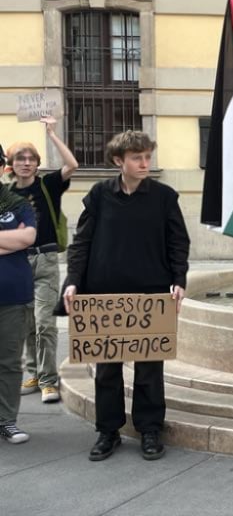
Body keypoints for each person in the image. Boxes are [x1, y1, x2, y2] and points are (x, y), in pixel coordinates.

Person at [61, 131, 190, 461]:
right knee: (106, 368)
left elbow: (178, 242)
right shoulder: (99, 195)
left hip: (150, 291)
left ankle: (149, 429)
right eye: (137, 157)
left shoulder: (164, 196)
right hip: (104, 292)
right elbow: (81, 243)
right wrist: (72, 282)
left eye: (147, 156)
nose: (145, 163)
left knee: (149, 367)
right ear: (119, 161)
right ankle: (108, 431)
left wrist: (179, 279)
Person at [9, 117, 79, 404]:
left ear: (37, 163)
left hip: (46, 259)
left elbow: (72, 164)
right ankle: (34, 373)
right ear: (11, 164)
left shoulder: (48, 184)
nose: (26, 163)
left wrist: (51, 133)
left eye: (31, 159)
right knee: (27, 323)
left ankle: (49, 381)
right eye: (20, 158)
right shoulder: (7, 194)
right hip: (17, 263)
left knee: (45, 322)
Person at [0, 182, 36, 445]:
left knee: (9, 362)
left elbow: (28, 238)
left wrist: (20, 240)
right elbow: (18, 240)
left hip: (13, 294)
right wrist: (11, 240)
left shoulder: (18, 203)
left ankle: (6, 420)